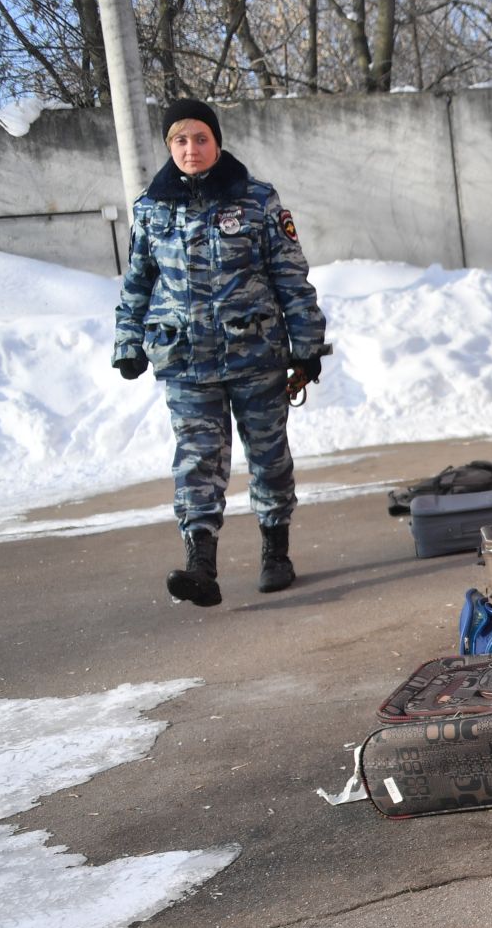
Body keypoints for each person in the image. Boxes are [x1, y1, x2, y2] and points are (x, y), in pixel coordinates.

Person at [112, 98, 329, 606]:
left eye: (201, 138)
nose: (191, 149)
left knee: (268, 456)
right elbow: (138, 282)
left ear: (217, 141)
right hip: (185, 361)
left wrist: (308, 343)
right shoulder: (151, 207)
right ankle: (200, 565)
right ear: (170, 146)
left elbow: (290, 276)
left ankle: (276, 551)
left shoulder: (257, 200)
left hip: (256, 355)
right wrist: (127, 341)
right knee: (196, 461)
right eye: (180, 140)